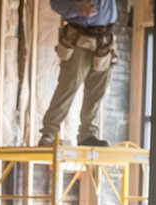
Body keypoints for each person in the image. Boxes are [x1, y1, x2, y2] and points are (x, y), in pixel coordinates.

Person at [38, 0, 118, 147]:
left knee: (97, 91)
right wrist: (77, 9)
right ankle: (49, 134)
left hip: (104, 40)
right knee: (68, 86)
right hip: (79, 37)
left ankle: (87, 134)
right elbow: (56, 3)